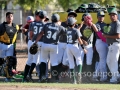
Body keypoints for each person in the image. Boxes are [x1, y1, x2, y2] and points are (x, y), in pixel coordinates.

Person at [35, 13, 66, 83]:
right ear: (58, 20)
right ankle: (56, 78)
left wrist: (36, 41)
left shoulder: (46, 25)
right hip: (54, 45)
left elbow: (41, 33)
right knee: (54, 62)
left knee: (43, 60)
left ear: (51, 19)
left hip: (45, 44)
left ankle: (42, 77)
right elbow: (67, 32)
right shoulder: (60, 27)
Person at [79, 13, 100, 82]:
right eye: (85, 18)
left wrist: (91, 23)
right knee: (80, 61)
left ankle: (88, 77)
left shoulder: (92, 25)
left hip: (89, 45)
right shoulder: (81, 26)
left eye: (88, 17)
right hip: (81, 45)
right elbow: (76, 36)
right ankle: (79, 76)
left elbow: (97, 31)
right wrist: (82, 40)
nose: (87, 19)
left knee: (89, 61)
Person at [66, 17, 87, 84]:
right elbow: (79, 40)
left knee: (71, 63)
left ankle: (74, 80)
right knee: (79, 60)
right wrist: (83, 48)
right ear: (74, 23)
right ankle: (79, 73)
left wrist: (79, 27)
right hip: (74, 46)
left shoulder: (67, 30)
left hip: (68, 46)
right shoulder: (76, 30)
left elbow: (73, 31)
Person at [28, 10, 47, 82]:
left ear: (39, 16)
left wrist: (34, 41)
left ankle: (28, 74)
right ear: (45, 17)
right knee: (42, 60)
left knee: (35, 60)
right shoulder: (46, 24)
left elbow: (31, 35)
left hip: (34, 42)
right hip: (42, 42)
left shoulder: (32, 24)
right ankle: (42, 77)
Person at [0, 12, 19, 82]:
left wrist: (14, 47)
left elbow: (15, 38)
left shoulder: (15, 26)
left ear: (13, 17)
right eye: (8, 16)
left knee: (10, 61)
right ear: (6, 17)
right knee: (1, 61)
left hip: (10, 46)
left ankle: (8, 76)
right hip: (2, 45)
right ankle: (4, 73)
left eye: (11, 16)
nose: (10, 17)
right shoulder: (2, 26)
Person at [22, 10, 41, 82]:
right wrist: (34, 42)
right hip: (34, 41)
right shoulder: (34, 23)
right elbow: (30, 35)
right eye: (39, 15)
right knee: (36, 60)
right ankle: (28, 75)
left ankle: (25, 78)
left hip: (31, 42)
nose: (40, 16)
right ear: (36, 16)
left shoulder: (34, 23)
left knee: (30, 60)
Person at [103, 9, 120, 83]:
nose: (112, 16)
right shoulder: (111, 23)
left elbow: (118, 36)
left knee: (114, 62)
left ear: (117, 16)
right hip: (111, 45)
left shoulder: (117, 23)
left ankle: (114, 79)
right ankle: (117, 76)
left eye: (114, 15)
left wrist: (106, 36)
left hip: (115, 44)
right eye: (111, 15)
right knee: (108, 61)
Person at [93, 11, 108, 82]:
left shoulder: (105, 24)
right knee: (103, 60)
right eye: (99, 16)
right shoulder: (96, 24)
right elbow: (99, 34)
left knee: (102, 60)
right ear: (97, 17)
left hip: (105, 41)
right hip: (100, 41)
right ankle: (103, 77)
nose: (101, 17)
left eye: (102, 16)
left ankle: (95, 75)